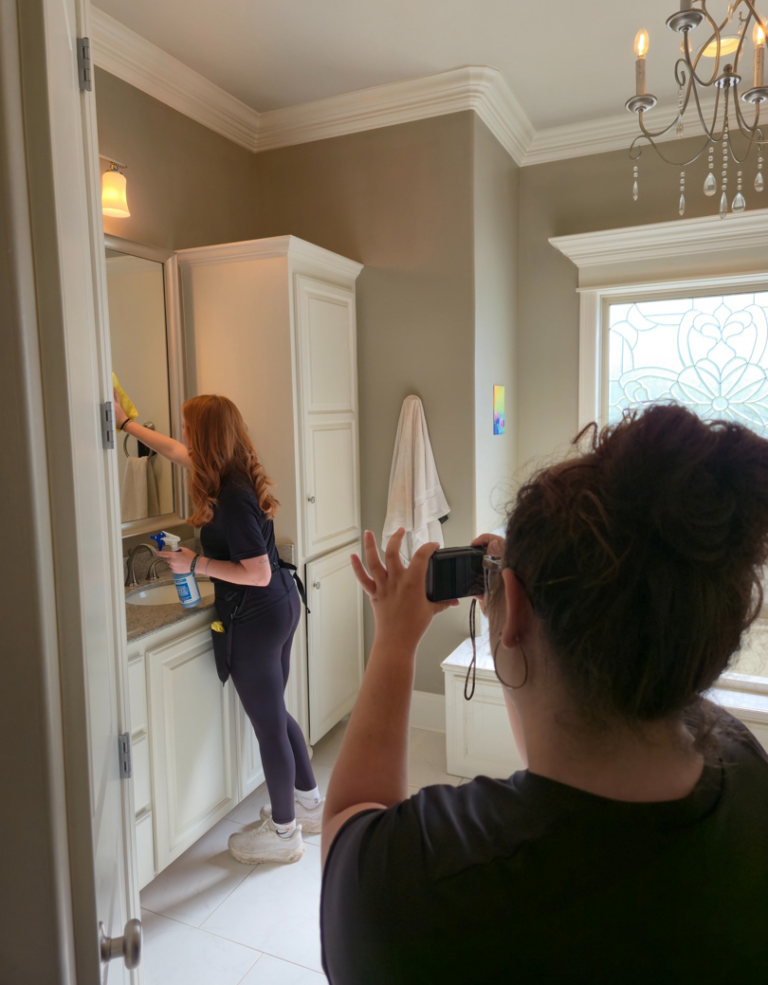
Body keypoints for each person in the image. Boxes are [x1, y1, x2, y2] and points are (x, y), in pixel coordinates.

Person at [319, 404, 768, 984]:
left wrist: (395, 641)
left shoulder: (421, 889)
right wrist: (527, 599)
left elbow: (348, 827)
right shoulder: (746, 770)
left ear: (515, 611)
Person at [114, 391, 321, 865]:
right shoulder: (232, 471)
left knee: (269, 726)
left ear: (206, 436)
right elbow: (173, 451)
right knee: (276, 713)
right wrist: (127, 425)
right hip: (279, 605)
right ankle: (308, 804)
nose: (182, 435)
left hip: (258, 612)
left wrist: (196, 563)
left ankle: (284, 834)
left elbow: (257, 572)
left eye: (188, 427)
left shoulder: (232, 496)